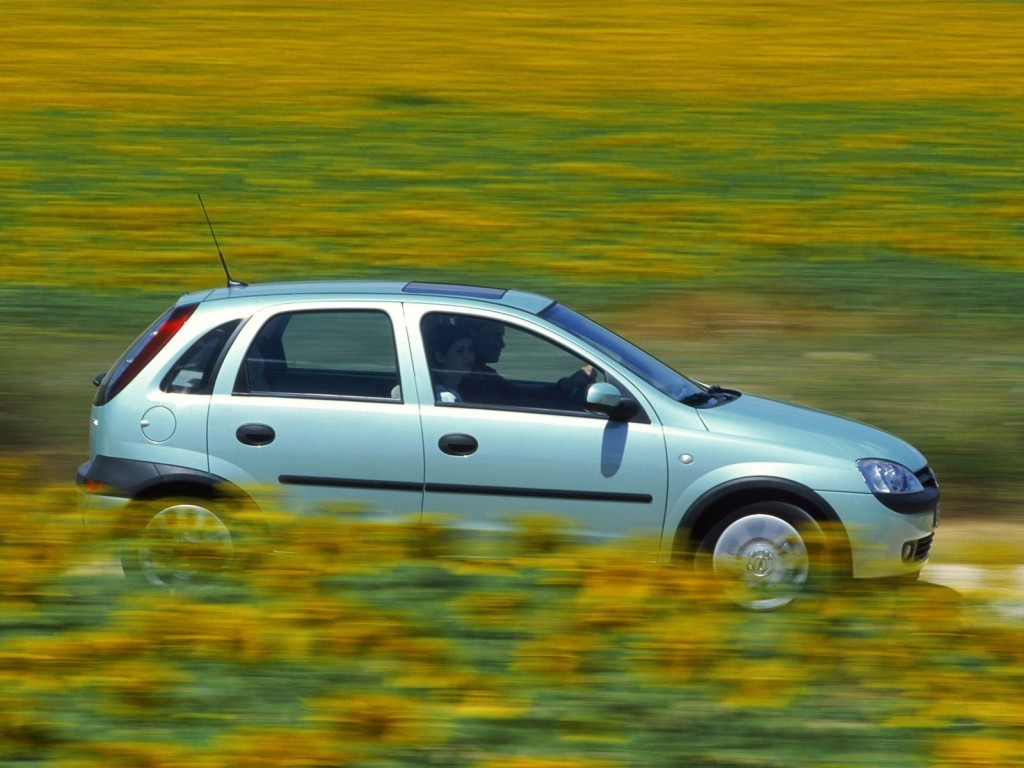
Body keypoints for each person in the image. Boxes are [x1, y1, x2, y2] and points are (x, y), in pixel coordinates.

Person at [428, 324, 475, 403]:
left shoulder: (471, 387)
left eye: (471, 349)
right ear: (440, 357)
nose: (468, 357)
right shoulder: (442, 396)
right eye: (460, 351)